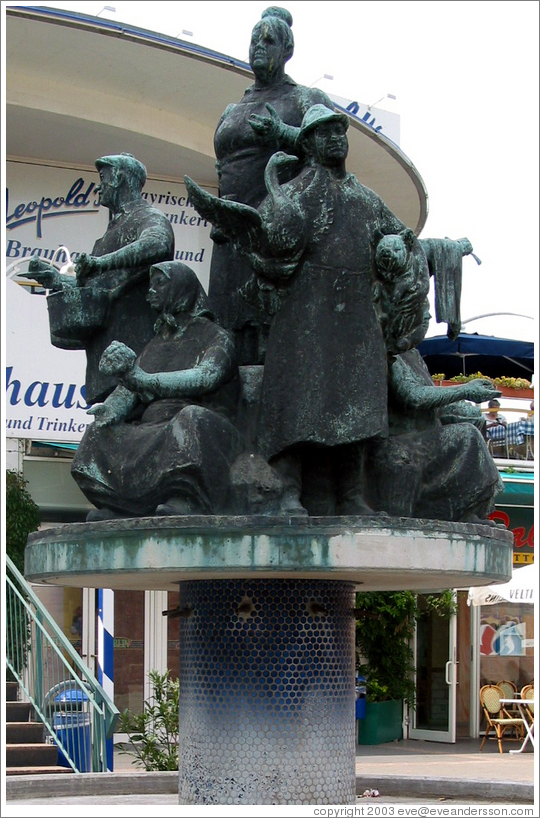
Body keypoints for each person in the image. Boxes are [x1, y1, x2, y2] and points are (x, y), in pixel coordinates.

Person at [186, 104, 430, 515]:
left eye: (341, 132)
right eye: (326, 132)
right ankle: (288, 492)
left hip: (356, 319)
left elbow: (401, 235)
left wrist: (399, 248)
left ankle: (351, 496)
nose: (337, 139)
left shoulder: (365, 198)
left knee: (360, 411)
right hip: (305, 318)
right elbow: (265, 242)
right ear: (311, 142)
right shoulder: (295, 192)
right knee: (296, 407)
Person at [209, 6, 334, 365]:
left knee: (266, 318)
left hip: (274, 226)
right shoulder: (233, 108)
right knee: (227, 316)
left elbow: (331, 149)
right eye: (254, 40)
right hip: (230, 225)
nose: (258, 47)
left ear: (286, 50)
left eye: (268, 41)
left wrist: (283, 133)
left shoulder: (305, 99)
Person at [71, 262, 242, 520]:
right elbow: (130, 389)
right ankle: (121, 505)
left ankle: (186, 497)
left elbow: (206, 376)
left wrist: (147, 381)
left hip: (205, 424)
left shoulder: (218, 337)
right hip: (154, 426)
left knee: (189, 419)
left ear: (181, 289)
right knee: (99, 432)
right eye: (151, 284)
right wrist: (110, 409)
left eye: (160, 283)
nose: (151, 291)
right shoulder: (155, 343)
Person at [25, 153, 175, 404]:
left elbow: (158, 243)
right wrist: (56, 280)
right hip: (104, 351)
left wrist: (101, 262)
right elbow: (97, 288)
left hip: (134, 346)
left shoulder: (148, 217)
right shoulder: (112, 229)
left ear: (119, 178)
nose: (98, 186)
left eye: (103, 178)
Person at [364, 345, 504, 523]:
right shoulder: (392, 352)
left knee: (471, 426)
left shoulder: (413, 354)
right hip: (402, 440)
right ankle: (464, 511)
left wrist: (462, 407)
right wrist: (465, 390)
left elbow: (432, 399)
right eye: (423, 318)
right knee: (468, 436)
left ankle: (467, 510)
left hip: (423, 436)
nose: (427, 317)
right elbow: (414, 396)